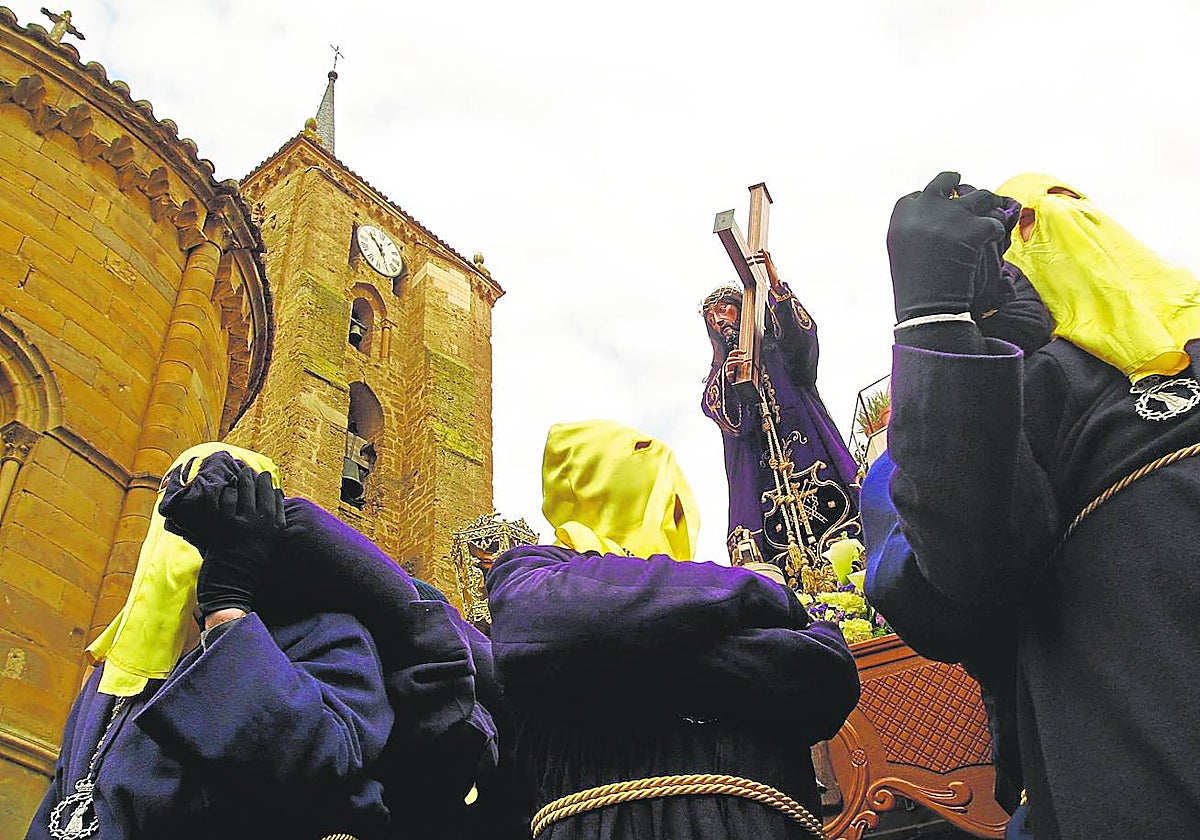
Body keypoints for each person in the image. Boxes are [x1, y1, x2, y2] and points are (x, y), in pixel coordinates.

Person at [865, 171, 1200, 840]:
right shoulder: (1017, 385)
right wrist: (946, 336)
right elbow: (946, 588)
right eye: (1030, 222)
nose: (1070, 224)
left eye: (1077, 205)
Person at [487, 419, 860, 839]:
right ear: (595, 481)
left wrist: (621, 647)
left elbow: (826, 671)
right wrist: (760, 593)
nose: (674, 505)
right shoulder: (529, 574)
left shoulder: (707, 592)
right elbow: (541, 625)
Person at [27, 443, 394, 840]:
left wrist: (227, 613)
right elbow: (60, 810)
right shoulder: (109, 678)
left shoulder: (323, 633)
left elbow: (324, 768)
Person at [700, 254, 860, 588]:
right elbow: (728, 421)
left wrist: (775, 284)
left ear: (743, 308)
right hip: (762, 477)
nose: (718, 320)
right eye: (711, 316)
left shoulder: (776, 344)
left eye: (724, 309)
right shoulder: (721, 373)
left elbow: (803, 351)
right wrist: (729, 380)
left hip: (810, 450)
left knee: (846, 545)